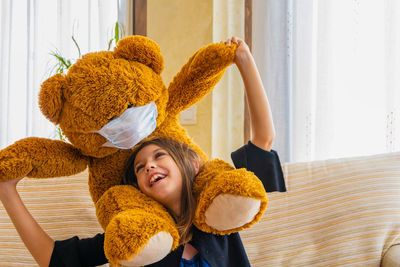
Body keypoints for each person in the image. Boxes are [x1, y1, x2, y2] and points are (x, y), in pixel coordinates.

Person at [0, 37, 286, 267]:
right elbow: (51, 257)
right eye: (139, 168)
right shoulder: (133, 238)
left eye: (159, 156)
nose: (148, 166)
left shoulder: (220, 212)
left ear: (193, 164)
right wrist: (7, 190)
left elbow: (263, 138)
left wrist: (244, 61)